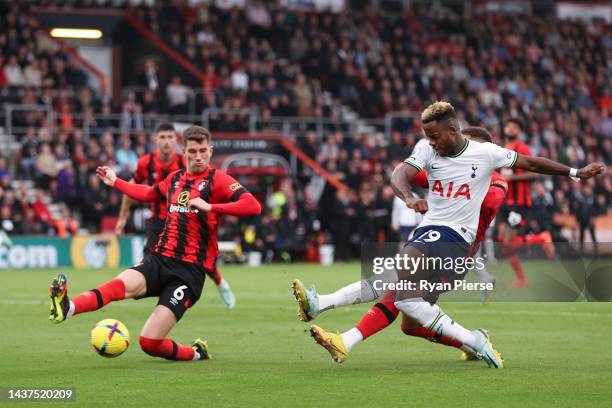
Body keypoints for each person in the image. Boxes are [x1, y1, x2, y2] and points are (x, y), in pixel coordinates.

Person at [292, 102, 604, 369]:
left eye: (437, 137)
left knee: (397, 284)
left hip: (456, 245)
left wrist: (575, 173)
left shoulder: (489, 166)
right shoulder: (429, 150)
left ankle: (325, 308)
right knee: (407, 314)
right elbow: (401, 173)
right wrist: (409, 195)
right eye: (428, 137)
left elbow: (526, 166)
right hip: (429, 233)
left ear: (458, 133)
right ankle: (472, 343)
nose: (432, 144)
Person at [293, 126, 505, 363]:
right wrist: (412, 169)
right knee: (410, 325)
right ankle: (475, 343)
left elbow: (489, 201)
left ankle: (327, 313)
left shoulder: (495, 181)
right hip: (435, 242)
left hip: (454, 255)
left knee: (394, 286)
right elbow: (407, 173)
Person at [48, 126, 261, 361]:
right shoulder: (176, 179)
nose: (198, 157)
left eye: (203, 151)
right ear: (185, 151)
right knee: (118, 285)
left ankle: (196, 353)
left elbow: (253, 206)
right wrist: (116, 181)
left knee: (149, 343)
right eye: (193, 151)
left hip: (188, 274)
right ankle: (69, 309)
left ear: (210, 151)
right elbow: (148, 192)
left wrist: (211, 206)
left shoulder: (218, 180)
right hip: (159, 259)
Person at [115, 123, 236, 309]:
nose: (166, 142)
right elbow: (134, 189)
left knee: (202, 261)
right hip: (158, 220)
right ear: (156, 140)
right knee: (150, 258)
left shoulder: (185, 161)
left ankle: (221, 284)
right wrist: (122, 218)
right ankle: (161, 294)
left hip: (187, 217)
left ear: (176, 141)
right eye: (162, 137)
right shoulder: (146, 163)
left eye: (170, 137)